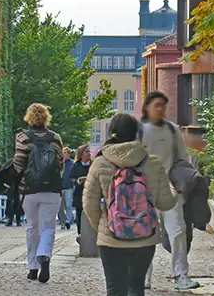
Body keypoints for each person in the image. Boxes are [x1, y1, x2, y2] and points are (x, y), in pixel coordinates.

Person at [83, 113, 177, 296]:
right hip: (144, 238)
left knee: (115, 289)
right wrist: (174, 190)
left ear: (112, 133)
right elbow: (165, 203)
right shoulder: (152, 162)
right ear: (137, 134)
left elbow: (89, 203)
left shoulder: (100, 163)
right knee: (136, 287)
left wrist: (105, 226)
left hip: (111, 240)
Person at [140, 91, 200, 290]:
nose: (160, 109)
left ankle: (180, 274)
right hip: (144, 191)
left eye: (163, 105)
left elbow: (182, 158)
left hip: (170, 189)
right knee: (145, 235)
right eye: (156, 105)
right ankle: (143, 277)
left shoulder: (172, 130)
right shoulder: (139, 130)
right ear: (147, 106)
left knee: (177, 231)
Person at [13, 103, 64, 283]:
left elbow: (19, 164)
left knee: (32, 226)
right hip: (51, 189)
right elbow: (60, 163)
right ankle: (44, 255)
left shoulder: (23, 137)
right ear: (46, 117)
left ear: (29, 117)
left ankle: (32, 267)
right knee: (48, 227)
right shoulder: (55, 138)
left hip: (29, 190)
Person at [70, 144, 92, 235]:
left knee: (91, 214)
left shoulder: (93, 164)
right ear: (81, 154)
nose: (89, 153)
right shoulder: (76, 165)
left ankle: (91, 234)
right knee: (79, 214)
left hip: (91, 193)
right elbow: (71, 178)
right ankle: (80, 234)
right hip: (79, 193)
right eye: (87, 152)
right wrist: (77, 181)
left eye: (89, 151)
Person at [59, 147, 75, 229]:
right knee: (60, 206)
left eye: (65, 153)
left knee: (68, 204)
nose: (63, 155)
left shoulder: (72, 163)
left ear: (68, 154)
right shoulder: (59, 163)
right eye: (63, 153)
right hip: (59, 187)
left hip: (69, 187)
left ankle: (68, 220)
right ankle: (62, 221)